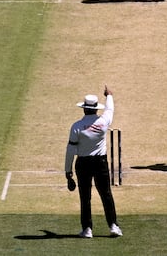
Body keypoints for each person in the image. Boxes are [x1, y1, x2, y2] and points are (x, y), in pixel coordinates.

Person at [64, 85, 122, 239]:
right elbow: (110, 110)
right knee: (106, 194)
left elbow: (70, 150)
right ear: (96, 109)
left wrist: (67, 171)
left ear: (84, 109)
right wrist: (109, 95)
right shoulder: (103, 122)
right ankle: (113, 226)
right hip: (100, 163)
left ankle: (87, 229)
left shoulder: (76, 127)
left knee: (85, 197)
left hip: (83, 164)